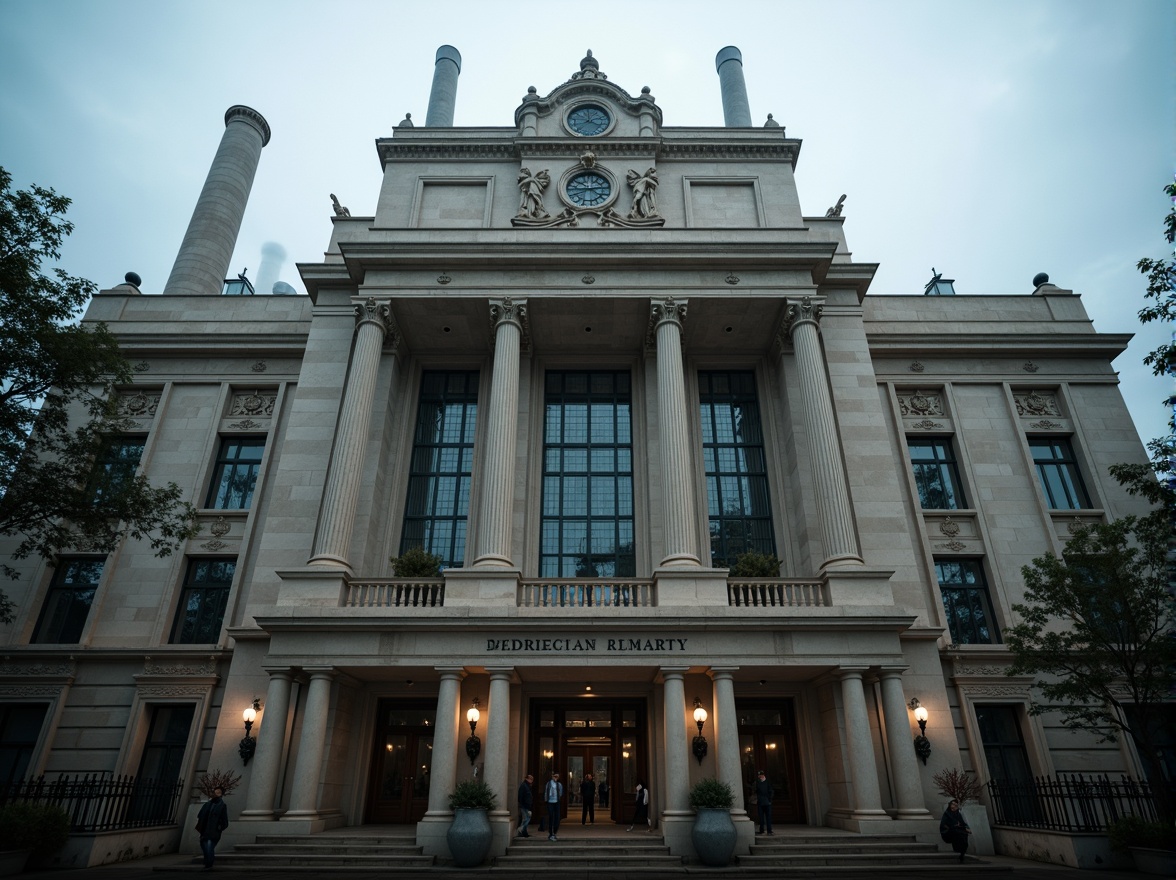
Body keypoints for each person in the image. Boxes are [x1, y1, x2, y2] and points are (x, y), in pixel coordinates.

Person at [195, 785, 229, 871]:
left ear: (221, 794)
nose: (217, 793)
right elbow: (200, 815)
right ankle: (207, 863)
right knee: (204, 847)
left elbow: (225, 820)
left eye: (219, 792)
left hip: (214, 831)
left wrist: (219, 828)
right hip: (204, 830)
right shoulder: (207, 804)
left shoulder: (222, 805)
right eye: (216, 792)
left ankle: (208, 865)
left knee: (209, 847)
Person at [544, 771, 564, 841]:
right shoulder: (548, 784)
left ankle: (554, 832)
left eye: (557, 777)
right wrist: (546, 800)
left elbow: (561, 793)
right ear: (552, 777)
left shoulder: (559, 785)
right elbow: (546, 792)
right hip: (550, 802)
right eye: (555, 776)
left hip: (557, 802)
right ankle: (551, 833)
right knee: (551, 817)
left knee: (557, 818)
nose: (556, 778)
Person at [754, 770, 774, 835]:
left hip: (767, 802)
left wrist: (769, 800)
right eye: (758, 775)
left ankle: (769, 830)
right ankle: (761, 830)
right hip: (760, 802)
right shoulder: (757, 782)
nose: (759, 776)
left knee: (768, 817)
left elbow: (771, 791)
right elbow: (755, 790)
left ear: (762, 775)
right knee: (761, 817)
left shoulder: (768, 782)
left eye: (760, 775)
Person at [517, 773, 534, 838]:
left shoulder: (528, 786)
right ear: (527, 779)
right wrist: (521, 804)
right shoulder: (524, 786)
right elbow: (520, 796)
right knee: (526, 818)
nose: (532, 780)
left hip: (527, 805)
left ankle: (524, 832)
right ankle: (521, 829)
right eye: (530, 779)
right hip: (524, 805)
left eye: (532, 779)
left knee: (526, 818)